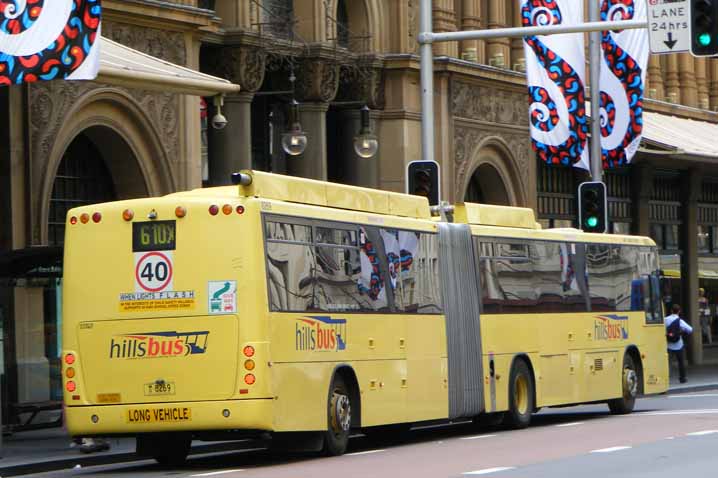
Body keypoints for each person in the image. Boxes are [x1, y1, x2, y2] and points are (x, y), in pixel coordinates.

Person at [665, 304, 693, 384]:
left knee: (668, 362)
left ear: (671, 311)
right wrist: (681, 331)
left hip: (668, 344)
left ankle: (666, 379)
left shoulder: (665, 319)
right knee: (681, 362)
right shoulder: (680, 321)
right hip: (678, 344)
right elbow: (690, 330)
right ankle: (682, 378)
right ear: (679, 311)